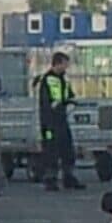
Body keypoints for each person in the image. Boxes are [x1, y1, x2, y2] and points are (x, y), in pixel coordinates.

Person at [36, 52, 82, 190]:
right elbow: (46, 102)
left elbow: (70, 95)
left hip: (62, 119)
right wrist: (57, 106)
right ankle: (50, 180)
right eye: (65, 63)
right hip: (50, 121)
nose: (67, 66)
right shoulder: (47, 80)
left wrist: (71, 103)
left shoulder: (64, 79)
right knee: (51, 150)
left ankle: (69, 177)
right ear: (58, 63)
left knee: (67, 148)